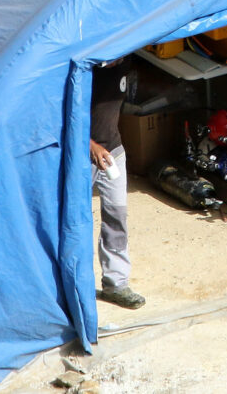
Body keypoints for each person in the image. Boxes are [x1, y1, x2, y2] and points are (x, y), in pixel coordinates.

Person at [90, 57, 144, 309]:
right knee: (72, 222)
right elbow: (58, 119)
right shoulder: (83, 70)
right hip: (81, 155)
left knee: (116, 218)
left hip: (113, 152)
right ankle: (71, 285)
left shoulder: (125, 64)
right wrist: (90, 146)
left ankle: (116, 284)